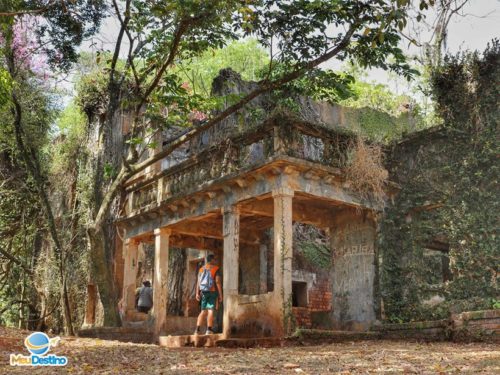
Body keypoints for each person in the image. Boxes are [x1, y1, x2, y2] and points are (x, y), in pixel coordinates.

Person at [194, 254, 222, 335]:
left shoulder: (201, 269)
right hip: (212, 292)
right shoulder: (216, 269)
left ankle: (197, 330)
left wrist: (197, 293)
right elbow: (217, 282)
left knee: (203, 311)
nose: (216, 261)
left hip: (203, 292)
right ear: (212, 260)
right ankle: (209, 330)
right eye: (215, 259)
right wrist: (220, 295)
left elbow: (198, 282)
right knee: (210, 310)